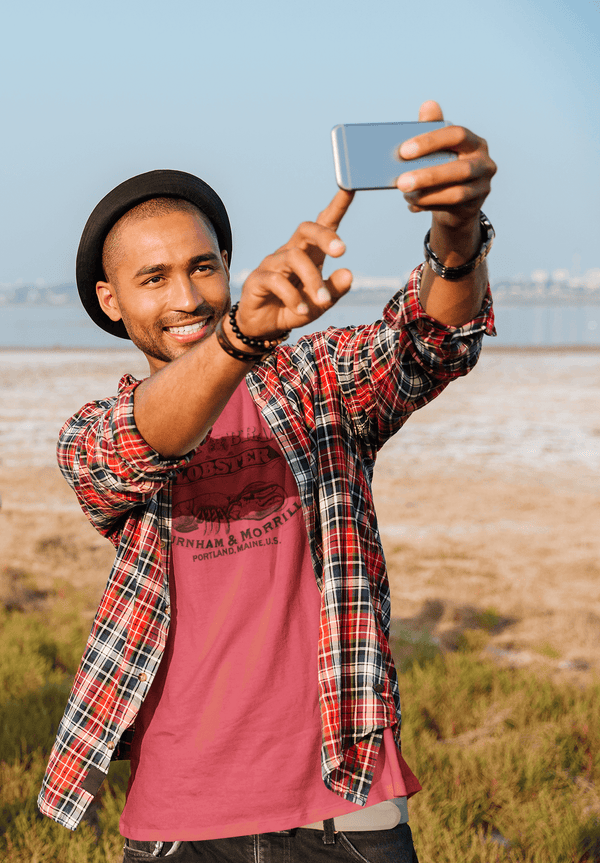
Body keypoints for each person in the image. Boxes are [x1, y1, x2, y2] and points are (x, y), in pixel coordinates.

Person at [38, 101, 496, 862]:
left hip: (344, 810)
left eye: (202, 266)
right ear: (111, 302)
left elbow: (429, 340)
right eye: (153, 278)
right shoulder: (97, 428)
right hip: (179, 821)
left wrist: (457, 234)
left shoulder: (317, 383)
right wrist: (240, 337)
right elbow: (128, 453)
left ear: (228, 267)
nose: (186, 297)